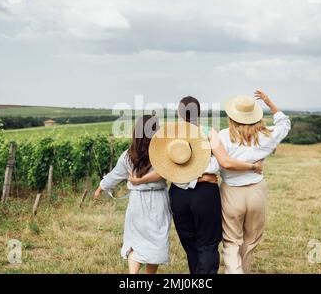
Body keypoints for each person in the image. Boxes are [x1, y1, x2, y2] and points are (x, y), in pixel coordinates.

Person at [130, 96, 263, 274]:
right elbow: (223, 161)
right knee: (207, 243)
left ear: (179, 112)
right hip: (205, 191)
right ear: (199, 113)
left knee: (189, 241)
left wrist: (139, 180)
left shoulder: (170, 134)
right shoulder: (208, 131)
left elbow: (162, 165)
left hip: (178, 194)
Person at [215, 90, 291, 274]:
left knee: (231, 241)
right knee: (251, 239)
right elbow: (285, 123)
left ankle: (235, 271)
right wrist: (269, 102)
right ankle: (244, 270)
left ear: (232, 116)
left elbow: (218, 162)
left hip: (231, 192)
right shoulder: (266, 134)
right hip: (257, 191)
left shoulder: (223, 136)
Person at [93, 115, 171, 274]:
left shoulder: (128, 155)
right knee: (156, 240)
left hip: (137, 202)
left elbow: (115, 175)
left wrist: (100, 187)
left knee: (135, 240)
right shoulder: (162, 153)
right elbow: (167, 172)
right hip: (158, 200)